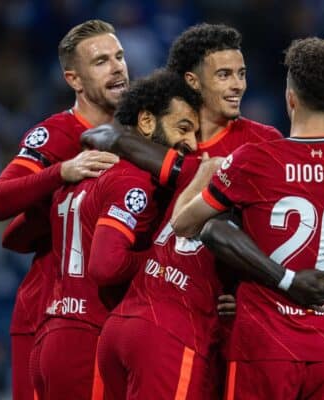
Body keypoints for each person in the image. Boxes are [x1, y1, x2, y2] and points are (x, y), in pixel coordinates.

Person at [88, 24, 324, 400]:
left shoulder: (264, 143)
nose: (237, 85)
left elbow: (282, 232)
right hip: (163, 324)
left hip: (222, 332)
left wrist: (251, 292)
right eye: (224, 75)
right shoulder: (164, 133)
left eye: (241, 74)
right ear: (193, 81)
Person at [171, 37, 324, 399]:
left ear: (290, 98)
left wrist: (204, 177)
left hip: (263, 347)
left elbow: (185, 225)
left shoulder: (255, 160)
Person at [29, 69, 201, 400]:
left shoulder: (83, 169)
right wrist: (159, 259)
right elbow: (106, 266)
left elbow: (15, 236)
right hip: (87, 340)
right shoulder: (132, 179)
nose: (191, 143)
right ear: (147, 122)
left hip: (51, 332)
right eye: (183, 128)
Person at [0, 20, 126, 400]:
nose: (117, 67)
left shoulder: (139, 138)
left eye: (119, 56)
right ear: (74, 80)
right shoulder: (59, 132)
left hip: (108, 315)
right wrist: (62, 171)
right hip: (46, 313)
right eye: (101, 61)